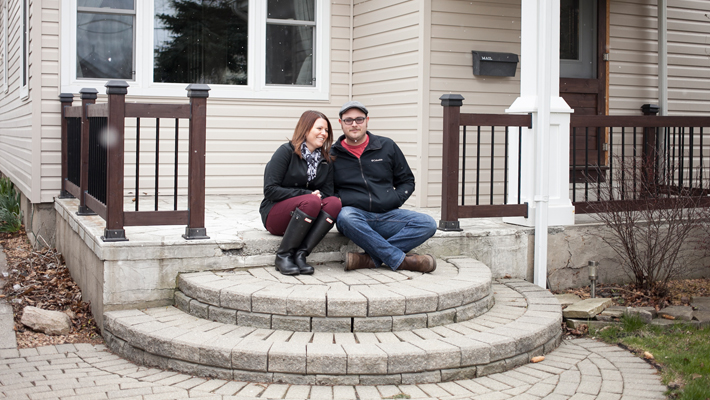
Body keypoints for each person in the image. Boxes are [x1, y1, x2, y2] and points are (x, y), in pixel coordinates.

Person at [331, 101, 438, 273]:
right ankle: (402, 261)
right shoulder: (332, 155)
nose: (354, 124)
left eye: (359, 119)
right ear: (340, 123)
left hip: (388, 215)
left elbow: (407, 180)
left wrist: (395, 199)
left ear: (367, 121)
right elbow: (329, 191)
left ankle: (370, 259)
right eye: (348, 120)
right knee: (345, 217)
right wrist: (343, 201)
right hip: (355, 218)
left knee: (427, 223)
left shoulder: (386, 146)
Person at [260, 110, 342, 275]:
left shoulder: (325, 160)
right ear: (305, 130)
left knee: (335, 202)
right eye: (319, 128)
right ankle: (283, 256)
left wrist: (316, 197)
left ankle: (301, 254)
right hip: (275, 214)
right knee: (311, 201)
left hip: (307, 215)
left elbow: (327, 193)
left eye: (326, 130)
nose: (324, 133)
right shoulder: (286, 152)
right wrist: (306, 194)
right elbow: (270, 190)